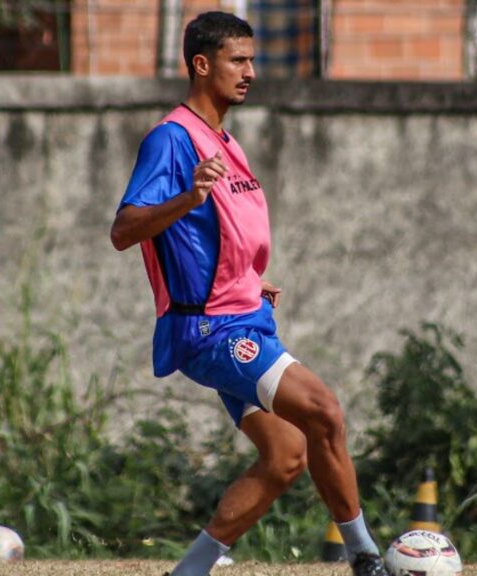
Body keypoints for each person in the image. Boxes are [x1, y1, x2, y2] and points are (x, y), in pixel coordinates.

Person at [110, 12, 389, 576]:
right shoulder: (173, 139)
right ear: (201, 64)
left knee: (287, 456)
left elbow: (213, 236)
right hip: (214, 331)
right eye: (239, 60)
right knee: (325, 412)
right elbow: (125, 229)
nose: (250, 72)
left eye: (252, 59)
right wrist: (186, 199)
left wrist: (245, 276)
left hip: (243, 315)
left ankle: (188, 571)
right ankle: (366, 559)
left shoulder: (224, 141)